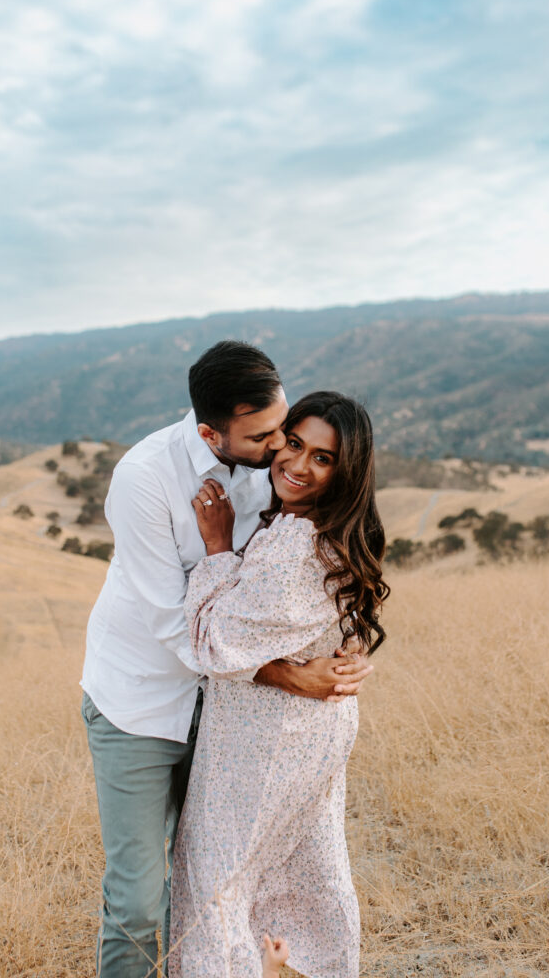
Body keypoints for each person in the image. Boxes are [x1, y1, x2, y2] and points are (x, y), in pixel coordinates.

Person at [80, 344, 374, 978]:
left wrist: (341, 650)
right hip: (143, 703)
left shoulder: (277, 474)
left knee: (224, 879)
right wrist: (292, 675)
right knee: (138, 901)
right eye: (267, 436)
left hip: (232, 723)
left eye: (286, 429)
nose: (280, 449)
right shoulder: (145, 478)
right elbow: (177, 626)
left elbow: (288, 585)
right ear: (212, 433)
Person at [169, 392, 389, 978]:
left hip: (265, 739)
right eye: (294, 444)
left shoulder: (297, 544)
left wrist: (216, 547)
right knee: (303, 866)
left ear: (346, 471)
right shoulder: (318, 531)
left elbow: (213, 642)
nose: (298, 464)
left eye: (323, 458)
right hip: (307, 731)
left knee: (220, 878)